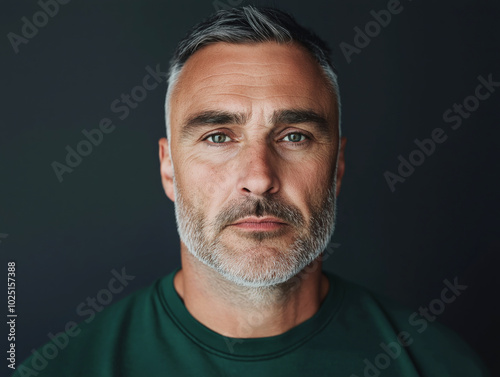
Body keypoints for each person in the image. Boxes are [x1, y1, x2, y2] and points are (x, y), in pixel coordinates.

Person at [14, 5, 489, 377]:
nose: (259, 177)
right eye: (218, 136)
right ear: (168, 170)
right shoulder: (67, 368)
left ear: (337, 166)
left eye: (294, 136)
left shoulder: (442, 365)